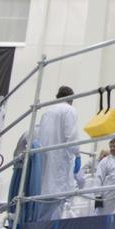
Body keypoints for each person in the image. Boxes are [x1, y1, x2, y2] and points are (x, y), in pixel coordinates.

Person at [36, 86, 82, 218]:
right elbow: (71, 136)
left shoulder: (47, 112)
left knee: (45, 204)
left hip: (44, 162)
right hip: (59, 163)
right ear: (71, 99)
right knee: (58, 204)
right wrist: (77, 154)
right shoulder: (69, 110)